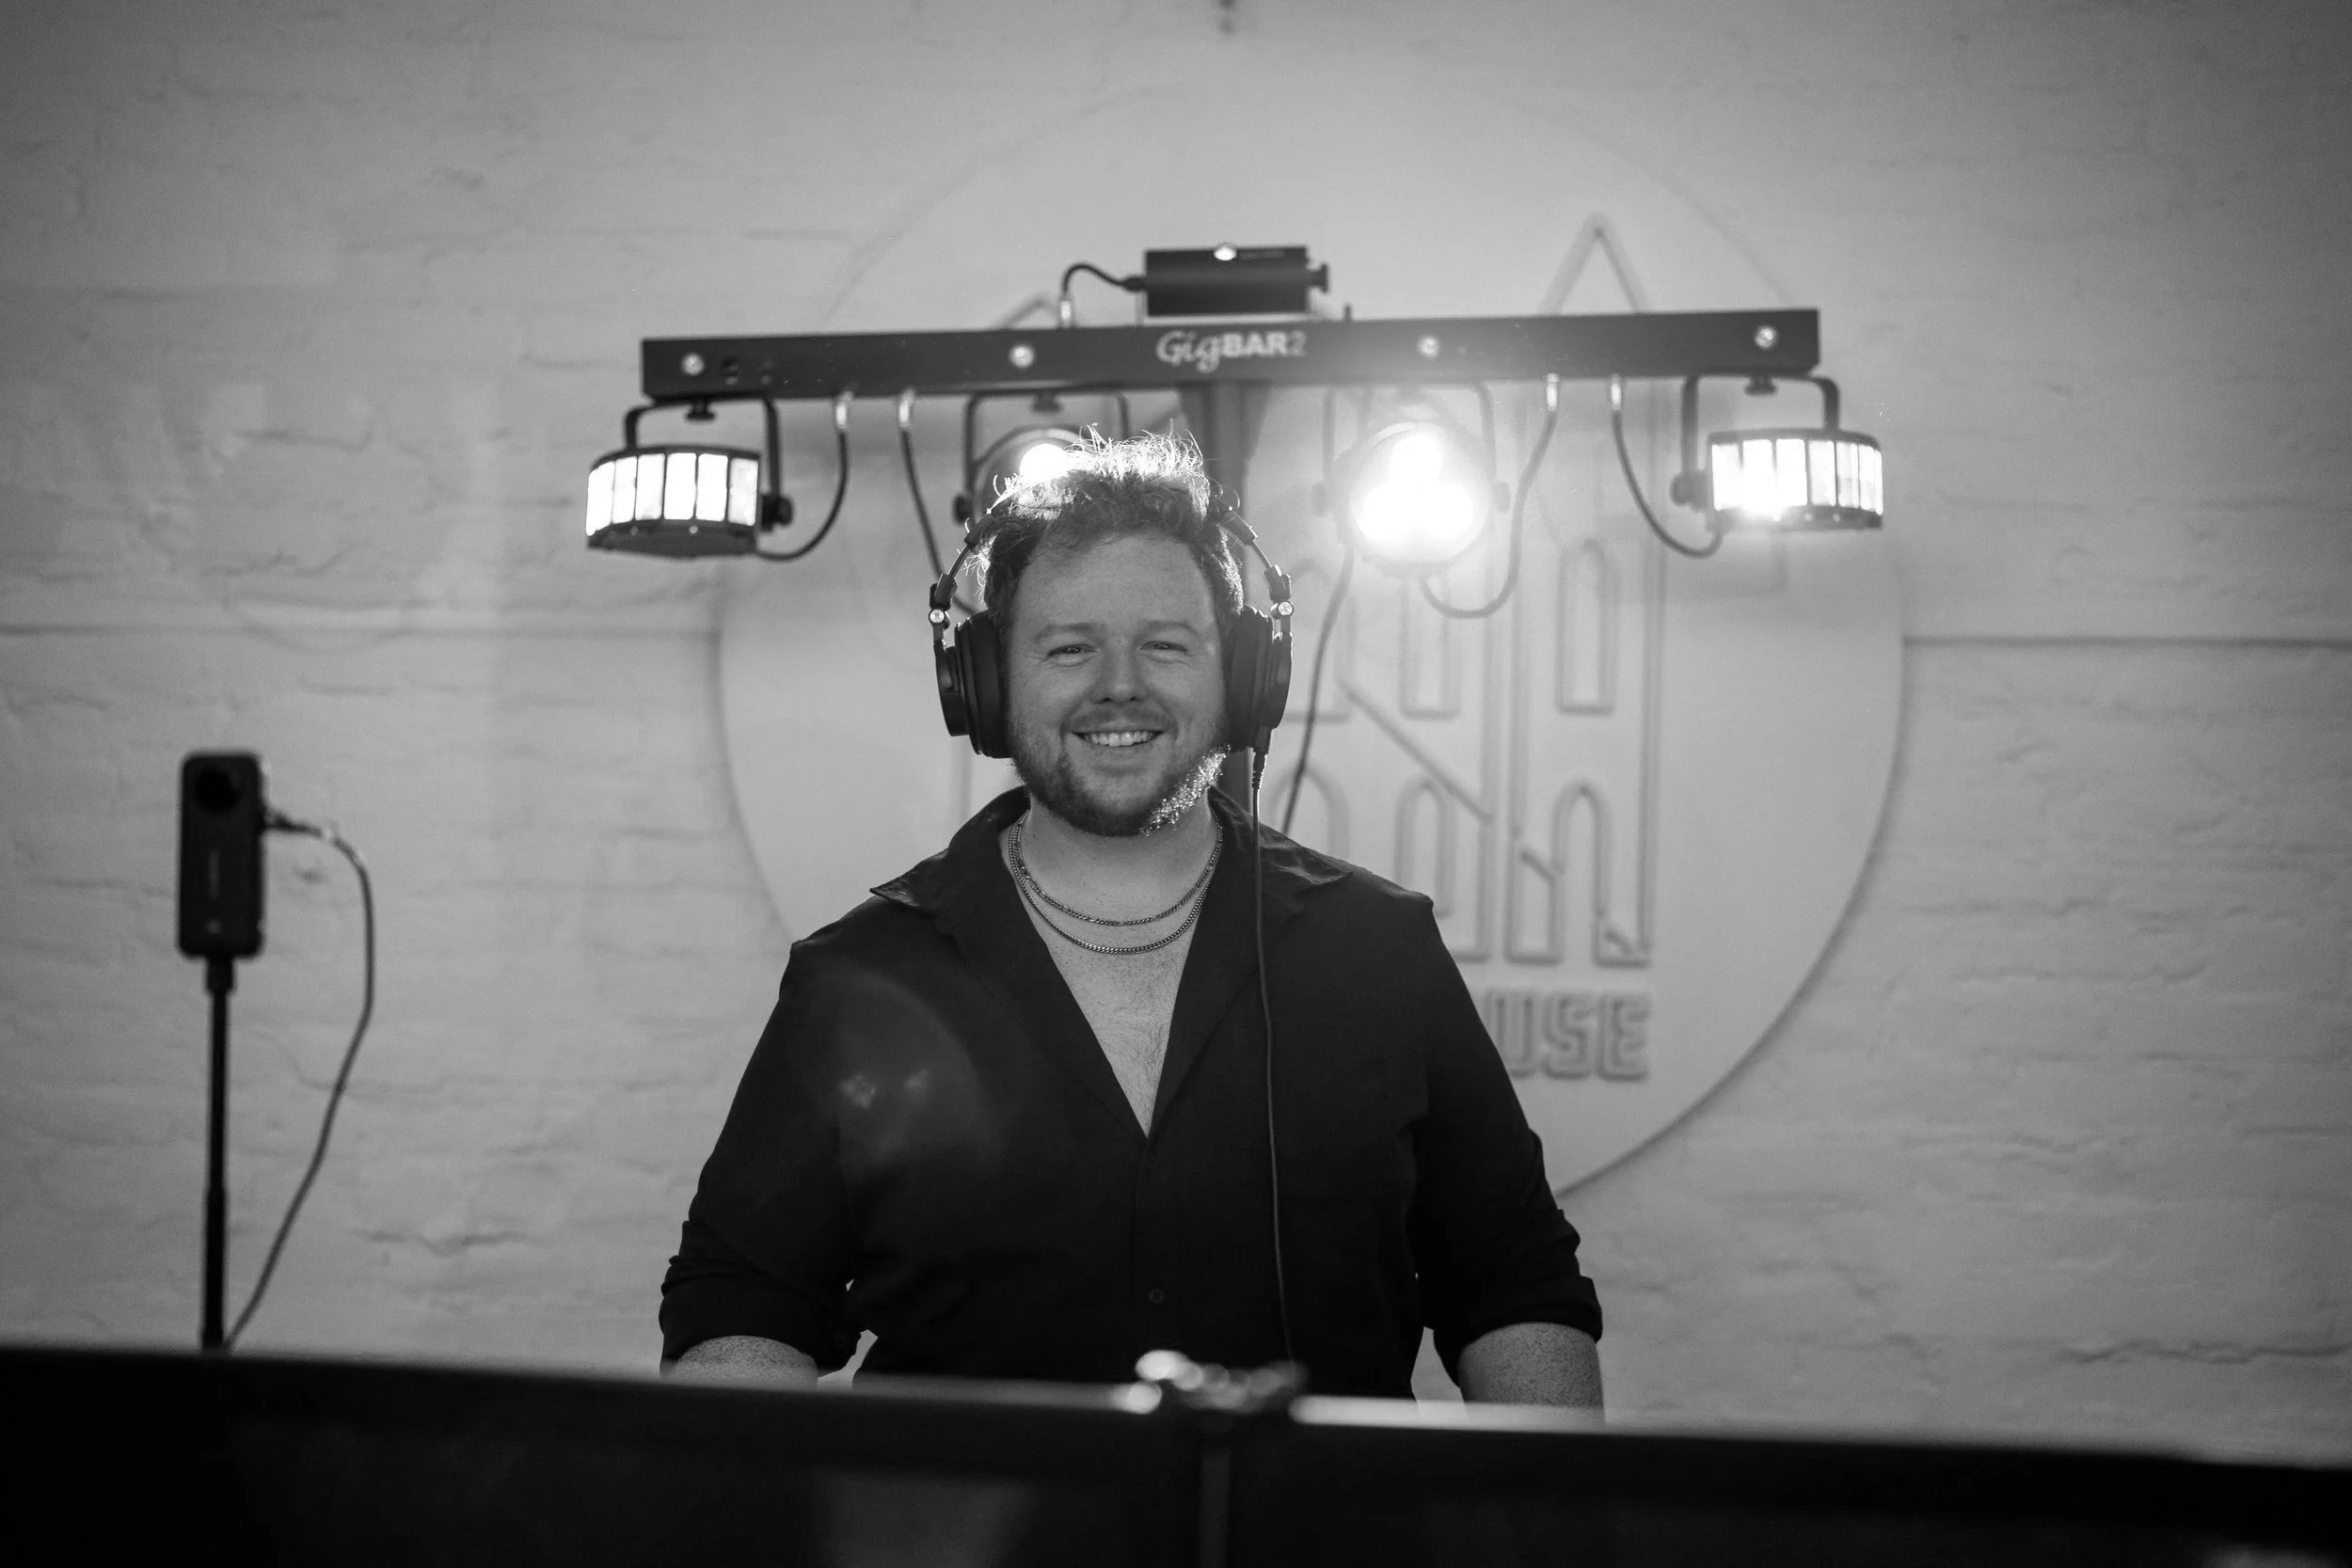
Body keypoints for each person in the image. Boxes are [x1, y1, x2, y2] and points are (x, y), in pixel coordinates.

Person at [660, 433, 1602, 1405]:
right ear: (984, 684)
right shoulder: (860, 974)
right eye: (1069, 647)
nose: (1119, 684)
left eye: (1165, 644)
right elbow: (742, 1309)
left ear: (1243, 678)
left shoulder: (1379, 950)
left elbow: (1512, 1284)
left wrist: (1547, 1530)